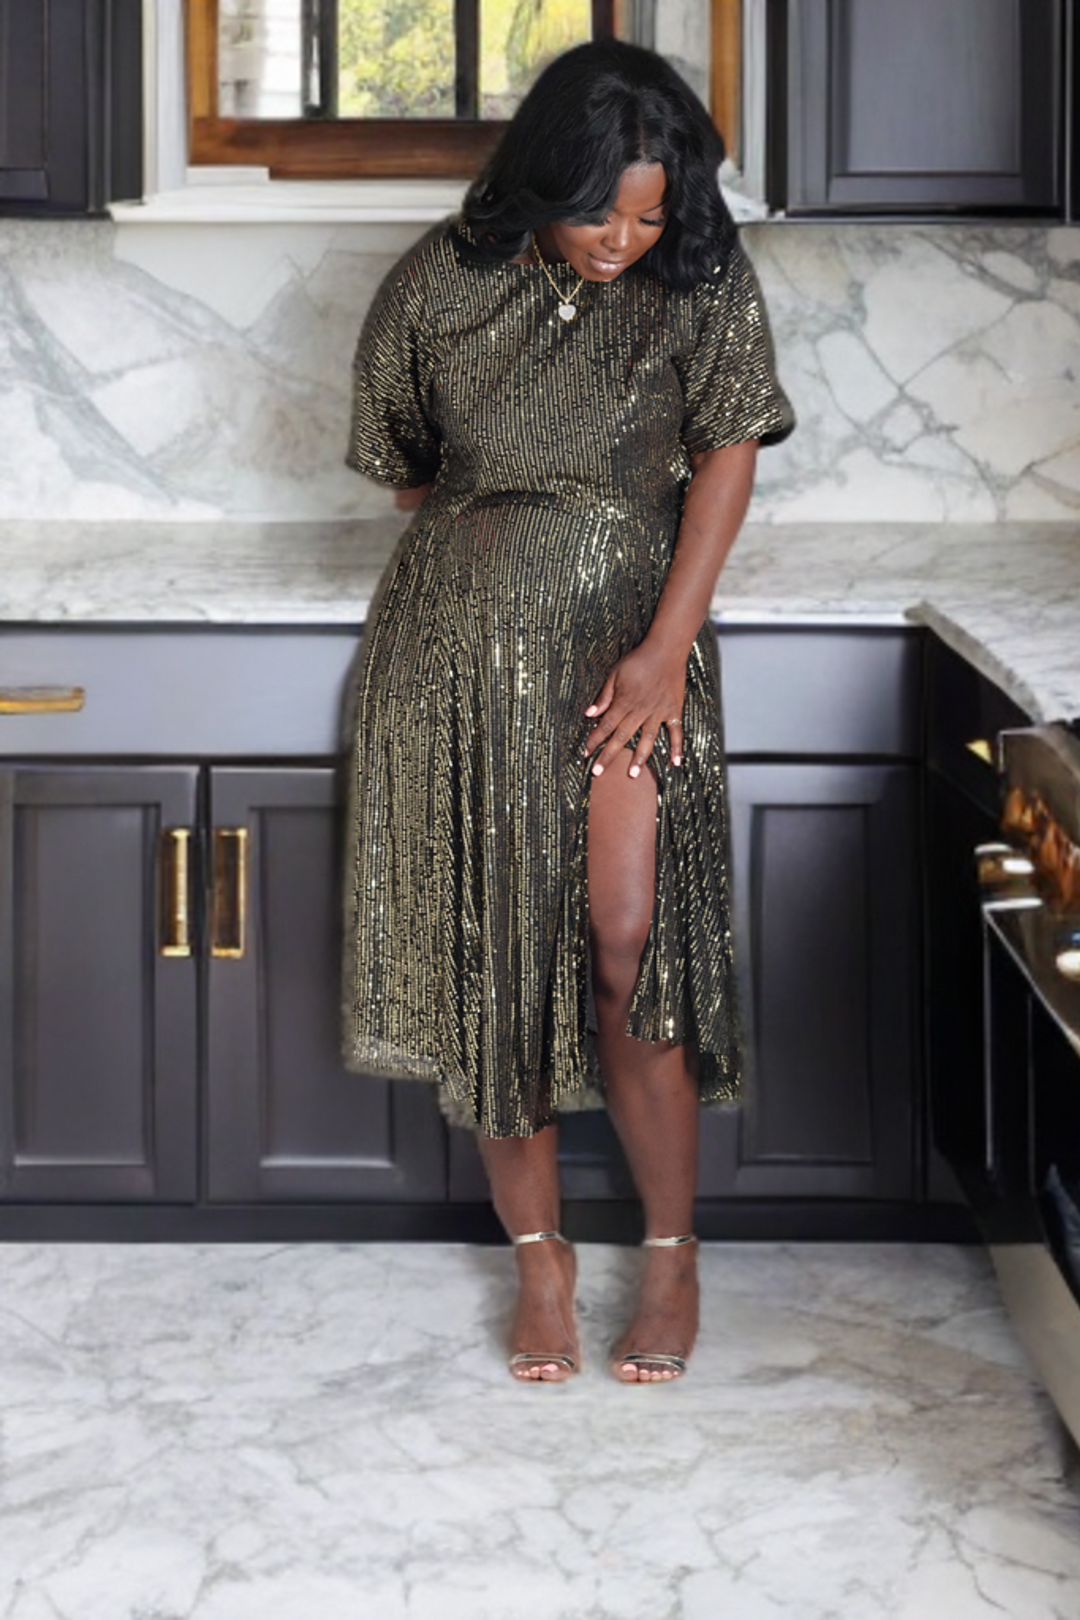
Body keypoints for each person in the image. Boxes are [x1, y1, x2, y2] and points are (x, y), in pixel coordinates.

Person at [342, 38, 793, 1384]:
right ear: (545, 177)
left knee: (627, 937)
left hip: (632, 648)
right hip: (461, 653)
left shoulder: (698, 275)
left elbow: (725, 455)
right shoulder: (438, 281)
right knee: (501, 949)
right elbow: (409, 471)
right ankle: (540, 1260)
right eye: (602, 213)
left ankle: (672, 1253)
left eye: (649, 216)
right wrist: (513, 548)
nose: (623, 240)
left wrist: (664, 649)